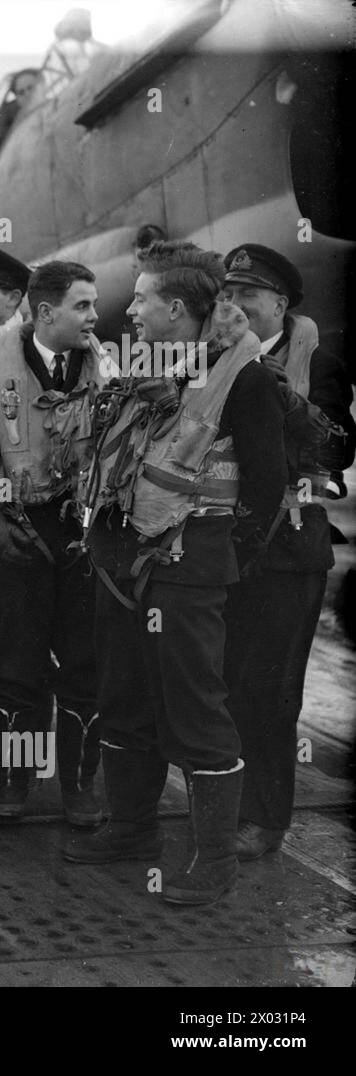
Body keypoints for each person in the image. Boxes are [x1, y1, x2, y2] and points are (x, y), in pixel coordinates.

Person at [64, 240, 287, 907]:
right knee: (124, 699)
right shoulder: (141, 370)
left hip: (188, 571)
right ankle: (131, 829)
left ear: (179, 308)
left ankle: (214, 858)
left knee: (195, 712)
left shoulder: (247, 380)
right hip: (121, 563)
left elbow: (268, 487)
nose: (128, 308)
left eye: (142, 298)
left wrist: (220, 565)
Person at [0, 261, 104, 824]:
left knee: (85, 665)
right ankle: (14, 781)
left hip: (85, 544)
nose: (95, 317)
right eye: (83, 306)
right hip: (18, 537)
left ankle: (79, 788)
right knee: (15, 665)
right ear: (45, 313)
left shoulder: (109, 375)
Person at [218, 243, 355, 860]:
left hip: (287, 550)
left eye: (249, 294)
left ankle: (265, 819)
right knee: (220, 680)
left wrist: (285, 400)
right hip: (217, 546)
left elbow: (339, 451)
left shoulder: (319, 365)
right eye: (229, 294)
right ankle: (224, 802)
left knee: (270, 689)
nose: (236, 305)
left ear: (280, 303)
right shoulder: (208, 359)